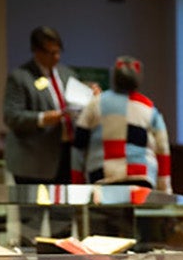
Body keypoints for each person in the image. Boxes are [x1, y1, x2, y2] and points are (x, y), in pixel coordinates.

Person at [71, 56, 172, 192]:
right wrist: (165, 189)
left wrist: (77, 185)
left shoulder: (95, 104)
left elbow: (78, 147)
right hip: (142, 179)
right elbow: (163, 150)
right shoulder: (149, 108)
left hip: (102, 177)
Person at [3, 25, 86, 184]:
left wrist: (90, 94)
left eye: (59, 51)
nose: (57, 57)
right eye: (51, 53)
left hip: (66, 155)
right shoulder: (20, 77)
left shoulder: (68, 74)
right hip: (33, 161)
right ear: (37, 51)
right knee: (33, 208)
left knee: (63, 208)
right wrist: (43, 118)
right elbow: (11, 117)